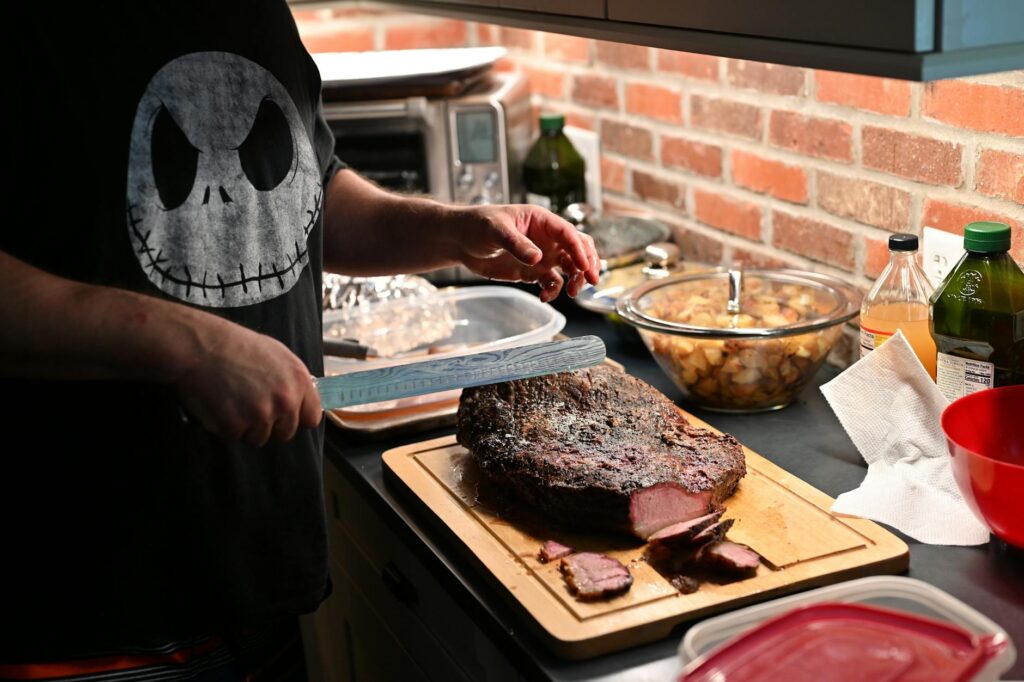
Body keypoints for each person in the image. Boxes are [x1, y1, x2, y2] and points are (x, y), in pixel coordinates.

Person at [0, 2, 598, 679]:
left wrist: (449, 230)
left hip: (259, 573)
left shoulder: (254, 12)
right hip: (79, 604)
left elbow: (308, 194)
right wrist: (183, 344)